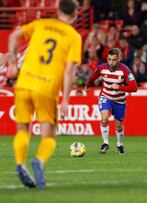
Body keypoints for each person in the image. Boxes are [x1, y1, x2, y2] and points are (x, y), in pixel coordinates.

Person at [6, 0, 81, 189]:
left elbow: (14, 35)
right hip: (46, 89)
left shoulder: (40, 24)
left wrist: (13, 62)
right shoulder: (74, 37)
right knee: (48, 136)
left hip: (24, 83)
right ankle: (39, 161)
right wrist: (65, 100)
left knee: (23, 129)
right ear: (75, 14)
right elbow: (69, 72)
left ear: (57, 9)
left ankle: (20, 163)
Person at [85, 48, 137, 155]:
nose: (111, 62)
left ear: (118, 59)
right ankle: (105, 143)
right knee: (104, 118)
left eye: (113, 60)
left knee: (118, 125)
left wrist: (119, 87)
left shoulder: (125, 70)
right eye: (109, 59)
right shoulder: (101, 68)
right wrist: (87, 86)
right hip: (105, 96)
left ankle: (120, 145)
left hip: (119, 100)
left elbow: (134, 88)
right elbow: (93, 77)